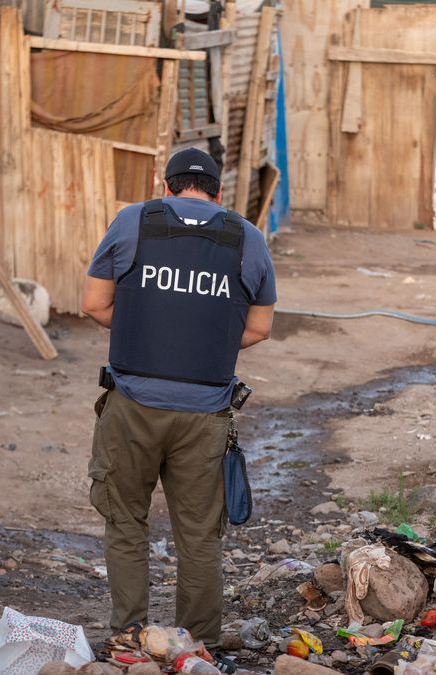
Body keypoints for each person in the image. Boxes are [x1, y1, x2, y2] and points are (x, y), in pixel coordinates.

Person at [80, 148, 276, 672]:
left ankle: (128, 640)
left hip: (132, 408)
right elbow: (258, 327)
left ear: (163, 186)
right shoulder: (247, 237)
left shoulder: (132, 221)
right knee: (198, 536)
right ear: (218, 192)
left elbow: (95, 304)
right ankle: (199, 647)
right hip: (206, 414)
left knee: (125, 522)